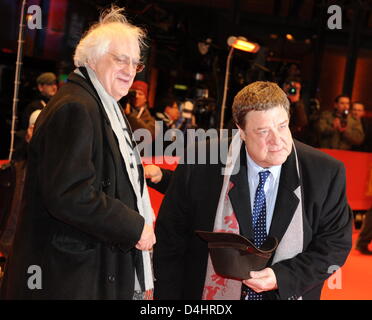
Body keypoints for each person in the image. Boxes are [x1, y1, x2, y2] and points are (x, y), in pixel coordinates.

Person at [1, 7, 156, 300]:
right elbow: (70, 194)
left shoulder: (102, 103)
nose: (129, 71)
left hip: (88, 269)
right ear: (92, 58)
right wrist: (135, 226)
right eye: (120, 59)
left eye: (135, 64)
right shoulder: (77, 106)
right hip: (68, 276)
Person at [153, 81, 352, 300]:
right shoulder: (201, 162)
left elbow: (334, 244)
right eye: (263, 131)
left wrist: (282, 277)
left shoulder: (325, 172)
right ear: (242, 131)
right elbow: (170, 239)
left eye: (282, 126)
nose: (277, 140)